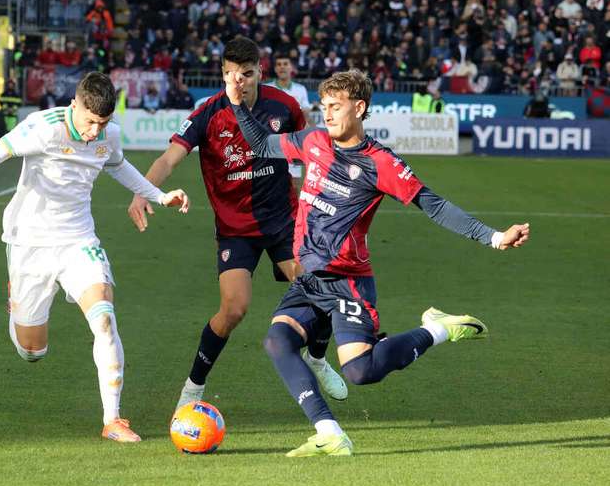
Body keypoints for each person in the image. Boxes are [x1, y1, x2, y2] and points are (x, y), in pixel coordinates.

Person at [225, 68, 530, 457]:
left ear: (360, 107)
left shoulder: (380, 162)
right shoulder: (313, 140)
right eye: (324, 106)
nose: (328, 114)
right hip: (308, 279)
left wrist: (493, 237)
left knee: (360, 372)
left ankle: (437, 329)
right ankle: (329, 432)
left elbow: (433, 206)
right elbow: (261, 143)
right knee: (277, 341)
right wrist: (236, 101)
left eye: (336, 107)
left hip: (346, 282)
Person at [0, 71, 190, 443]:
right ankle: (17, 304)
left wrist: (159, 196)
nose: (96, 131)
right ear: (74, 105)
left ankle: (112, 419)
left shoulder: (107, 134)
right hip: (30, 242)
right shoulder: (43, 127)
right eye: (90, 121)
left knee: (105, 319)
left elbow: (118, 165)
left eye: (103, 123)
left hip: (78, 238)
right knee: (33, 350)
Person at [127, 36, 347, 411]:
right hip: (235, 228)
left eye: (247, 74)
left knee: (323, 288)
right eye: (232, 74)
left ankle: (318, 358)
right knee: (234, 310)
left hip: (283, 220)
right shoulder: (208, 114)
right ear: (223, 73)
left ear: (259, 71)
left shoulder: (285, 105)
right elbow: (169, 159)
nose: (240, 82)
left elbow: (312, 148)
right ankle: (194, 387)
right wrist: (142, 191)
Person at [265, 52, 313, 190]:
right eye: (279, 65)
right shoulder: (268, 89)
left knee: (295, 185)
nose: (282, 67)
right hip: (273, 144)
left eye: (285, 64)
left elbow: (305, 115)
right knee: (270, 185)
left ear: (291, 67)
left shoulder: (300, 89)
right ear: (275, 68)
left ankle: (294, 212)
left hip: (293, 143)